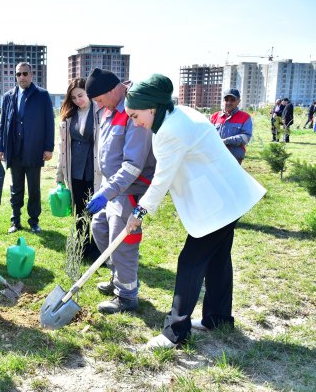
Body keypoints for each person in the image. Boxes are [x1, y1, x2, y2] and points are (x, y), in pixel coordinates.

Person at [124, 74, 266, 349]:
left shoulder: (170, 131)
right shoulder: (180, 114)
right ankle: (218, 317)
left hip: (219, 202)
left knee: (190, 261)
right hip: (228, 196)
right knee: (218, 260)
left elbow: (162, 178)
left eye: (135, 115)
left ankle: (175, 332)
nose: (135, 122)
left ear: (152, 108)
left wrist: (139, 212)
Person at [83, 68, 156, 314]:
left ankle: (127, 296)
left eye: (100, 99)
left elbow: (133, 164)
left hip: (129, 188)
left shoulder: (133, 112)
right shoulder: (108, 111)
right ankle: (117, 278)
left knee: (121, 238)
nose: (98, 105)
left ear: (114, 89)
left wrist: (109, 191)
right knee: (99, 228)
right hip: (111, 186)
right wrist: (102, 188)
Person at [0, 62, 54, 234]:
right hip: (14, 149)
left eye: (25, 73)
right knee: (16, 188)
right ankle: (15, 221)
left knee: (34, 188)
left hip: (34, 149)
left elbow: (49, 123)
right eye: (18, 74)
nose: (21, 77)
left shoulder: (42, 95)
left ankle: (34, 221)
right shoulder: (8, 96)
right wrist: (1, 146)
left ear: (31, 74)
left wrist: (48, 147)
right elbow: (2, 124)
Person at [56, 78, 102, 260]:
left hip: (95, 168)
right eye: (73, 97)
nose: (77, 100)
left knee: (97, 211)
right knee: (80, 210)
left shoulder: (101, 112)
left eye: (80, 95)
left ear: (88, 93)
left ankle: (98, 249)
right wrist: (59, 174)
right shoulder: (69, 116)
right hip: (75, 169)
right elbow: (63, 148)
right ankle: (82, 247)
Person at [210, 88, 253, 164]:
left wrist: (226, 141)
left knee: (232, 176)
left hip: (234, 158)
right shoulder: (214, 116)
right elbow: (208, 134)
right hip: (215, 156)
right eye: (226, 100)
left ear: (238, 101)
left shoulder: (245, 117)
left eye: (232, 100)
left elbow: (246, 137)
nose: (229, 102)